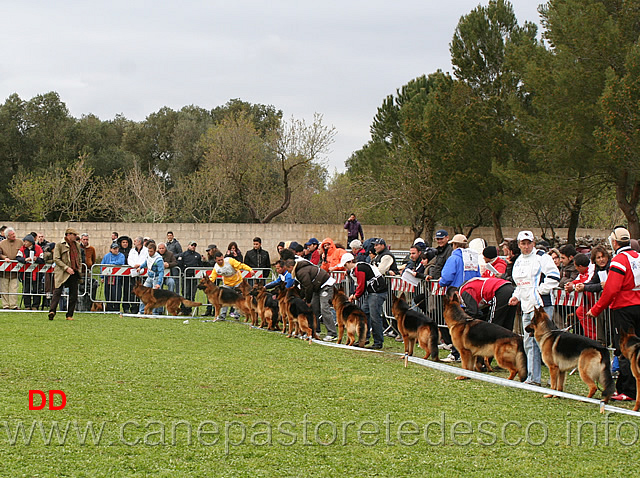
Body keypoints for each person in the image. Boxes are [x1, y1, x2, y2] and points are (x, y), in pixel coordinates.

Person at [587, 226, 640, 401]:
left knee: (624, 349)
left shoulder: (619, 260)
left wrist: (595, 310)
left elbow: (611, 290)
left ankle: (627, 390)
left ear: (614, 242)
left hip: (624, 309)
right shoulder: (638, 257)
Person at [508, 230, 560, 386]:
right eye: (523, 243)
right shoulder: (518, 261)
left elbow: (554, 277)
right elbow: (520, 284)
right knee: (529, 343)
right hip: (526, 305)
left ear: (533, 243)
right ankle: (533, 378)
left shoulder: (542, 258)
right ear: (519, 245)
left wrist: (539, 290)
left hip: (541, 306)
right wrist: (516, 296)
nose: (526, 246)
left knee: (545, 343)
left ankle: (554, 380)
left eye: (528, 243)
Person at [339, 252, 387, 349]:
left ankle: (378, 342)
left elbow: (361, 286)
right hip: (372, 292)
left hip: (377, 292)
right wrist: (355, 294)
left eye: (345, 265)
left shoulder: (360, 268)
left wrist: (355, 296)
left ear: (350, 262)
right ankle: (364, 338)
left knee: (375, 317)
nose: (345, 268)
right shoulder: (358, 268)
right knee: (364, 313)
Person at [287, 257, 338, 342]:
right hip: (316, 288)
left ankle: (332, 333)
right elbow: (304, 287)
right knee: (313, 309)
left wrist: (307, 301)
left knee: (324, 308)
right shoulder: (299, 271)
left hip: (326, 285)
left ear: (292, 267)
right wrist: (305, 298)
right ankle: (315, 332)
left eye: (288, 269)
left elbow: (308, 287)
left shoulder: (301, 272)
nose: (288, 272)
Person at [48, 228, 83, 321]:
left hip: (74, 272)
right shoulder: (59, 245)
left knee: (73, 294)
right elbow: (56, 258)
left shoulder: (77, 245)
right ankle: (52, 311)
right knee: (57, 291)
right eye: (74, 235)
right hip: (62, 272)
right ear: (68, 234)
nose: (76, 237)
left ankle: (69, 315)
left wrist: (78, 267)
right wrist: (66, 268)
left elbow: (79, 257)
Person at [209, 251, 253, 321]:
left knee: (239, 299)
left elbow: (241, 265)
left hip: (238, 282)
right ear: (215, 260)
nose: (221, 261)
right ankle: (222, 316)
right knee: (223, 299)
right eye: (218, 260)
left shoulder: (230, 261)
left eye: (221, 259)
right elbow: (212, 278)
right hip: (227, 284)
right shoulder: (216, 268)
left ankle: (237, 315)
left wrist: (250, 270)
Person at [16, 234, 45, 310]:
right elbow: (18, 257)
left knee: (37, 289)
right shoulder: (22, 249)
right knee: (26, 289)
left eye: (26, 241)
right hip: (26, 273)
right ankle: (27, 305)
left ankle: (35, 305)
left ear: (30, 242)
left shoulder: (38, 248)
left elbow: (42, 259)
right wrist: (25, 260)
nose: (24, 243)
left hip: (37, 273)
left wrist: (36, 259)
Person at [136, 242, 165, 315]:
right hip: (149, 277)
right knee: (143, 294)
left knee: (154, 297)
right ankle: (142, 311)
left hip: (156, 278)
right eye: (149, 251)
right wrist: (140, 267)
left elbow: (161, 272)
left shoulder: (159, 259)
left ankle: (154, 312)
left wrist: (158, 283)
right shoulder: (148, 256)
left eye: (151, 251)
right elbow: (146, 263)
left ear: (155, 251)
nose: (150, 253)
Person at [0, 227, 21, 309]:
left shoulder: (20, 242)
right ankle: (5, 305)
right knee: (4, 288)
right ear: (7, 236)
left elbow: (23, 251)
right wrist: (4, 258)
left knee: (14, 288)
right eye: (11, 235)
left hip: (15, 271)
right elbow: (0, 253)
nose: (14, 236)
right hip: (4, 271)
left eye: (14, 234)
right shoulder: (2, 243)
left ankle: (13, 305)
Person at [101, 242, 126, 312]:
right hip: (108, 277)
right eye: (114, 249)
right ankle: (109, 306)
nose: (116, 250)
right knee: (108, 292)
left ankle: (116, 307)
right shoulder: (106, 256)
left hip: (117, 278)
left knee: (117, 292)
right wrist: (102, 276)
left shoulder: (121, 255)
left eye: (117, 248)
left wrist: (111, 264)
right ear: (111, 249)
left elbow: (121, 262)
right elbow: (102, 265)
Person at [128, 237, 149, 314]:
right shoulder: (132, 251)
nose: (134, 242)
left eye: (135, 241)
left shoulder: (146, 250)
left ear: (139, 242)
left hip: (143, 273)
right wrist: (134, 265)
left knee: (143, 292)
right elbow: (129, 259)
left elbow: (147, 259)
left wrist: (140, 265)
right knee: (134, 290)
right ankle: (134, 308)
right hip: (134, 272)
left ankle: (143, 308)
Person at [78, 233, 98, 311]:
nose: (85, 241)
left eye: (87, 239)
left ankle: (88, 306)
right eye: (84, 239)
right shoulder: (77, 248)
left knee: (89, 290)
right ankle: (80, 307)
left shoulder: (91, 249)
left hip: (88, 273)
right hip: (80, 272)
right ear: (81, 240)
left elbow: (93, 260)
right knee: (80, 290)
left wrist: (90, 266)